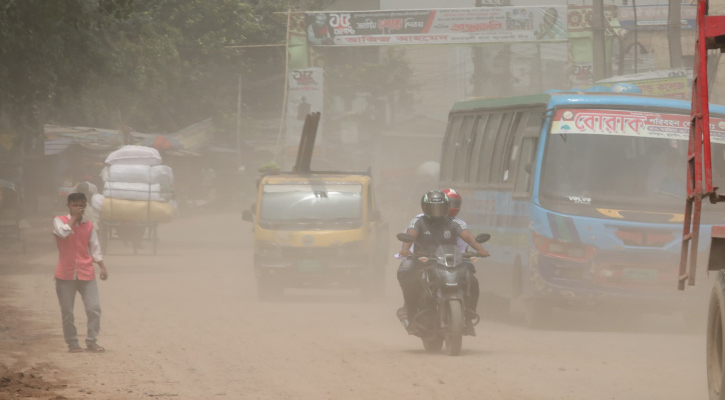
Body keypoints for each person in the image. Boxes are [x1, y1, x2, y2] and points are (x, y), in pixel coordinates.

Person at [397, 190, 489, 336]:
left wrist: (481, 250)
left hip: (450, 261)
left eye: (440, 208)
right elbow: (409, 237)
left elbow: (469, 238)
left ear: (446, 207)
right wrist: (405, 250)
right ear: (425, 208)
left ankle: (468, 319)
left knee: (472, 280)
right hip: (424, 261)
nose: (436, 212)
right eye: (432, 208)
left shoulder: (454, 222)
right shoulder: (418, 221)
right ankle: (411, 313)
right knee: (408, 274)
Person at [53, 192, 109, 353]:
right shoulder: (59, 221)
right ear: (68, 206)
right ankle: (72, 343)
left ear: (85, 206)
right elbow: (63, 233)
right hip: (65, 275)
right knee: (68, 312)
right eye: (75, 205)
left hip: (86, 272)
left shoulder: (89, 226)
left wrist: (102, 267)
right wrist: (74, 219)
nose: (79, 208)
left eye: (82, 205)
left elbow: (95, 247)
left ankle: (92, 341)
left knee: (94, 308)